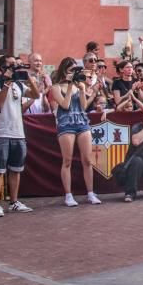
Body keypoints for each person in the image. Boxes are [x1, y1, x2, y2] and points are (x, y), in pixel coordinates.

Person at [0, 56, 39, 217]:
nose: (15, 68)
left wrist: (28, 78)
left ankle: (14, 201)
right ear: (3, 68)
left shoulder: (19, 84)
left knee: (16, 169)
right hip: (1, 131)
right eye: (12, 66)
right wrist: (7, 83)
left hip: (18, 132)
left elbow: (36, 95)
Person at [50, 58, 102, 207]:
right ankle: (68, 195)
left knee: (87, 160)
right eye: (71, 70)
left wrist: (81, 89)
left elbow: (84, 106)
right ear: (64, 70)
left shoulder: (80, 85)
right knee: (67, 161)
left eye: (75, 70)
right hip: (66, 124)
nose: (74, 73)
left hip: (82, 122)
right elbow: (65, 105)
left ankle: (90, 193)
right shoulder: (56, 87)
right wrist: (71, 85)